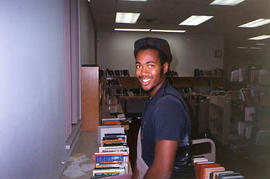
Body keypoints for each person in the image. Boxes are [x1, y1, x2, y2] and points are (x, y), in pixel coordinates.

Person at [131, 37, 194, 179]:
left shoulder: (168, 105)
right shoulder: (153, 98)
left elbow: (162, 172)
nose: (142, 72)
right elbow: (142, 158)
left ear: (165, 68)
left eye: (150, 65)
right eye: (138, 65)